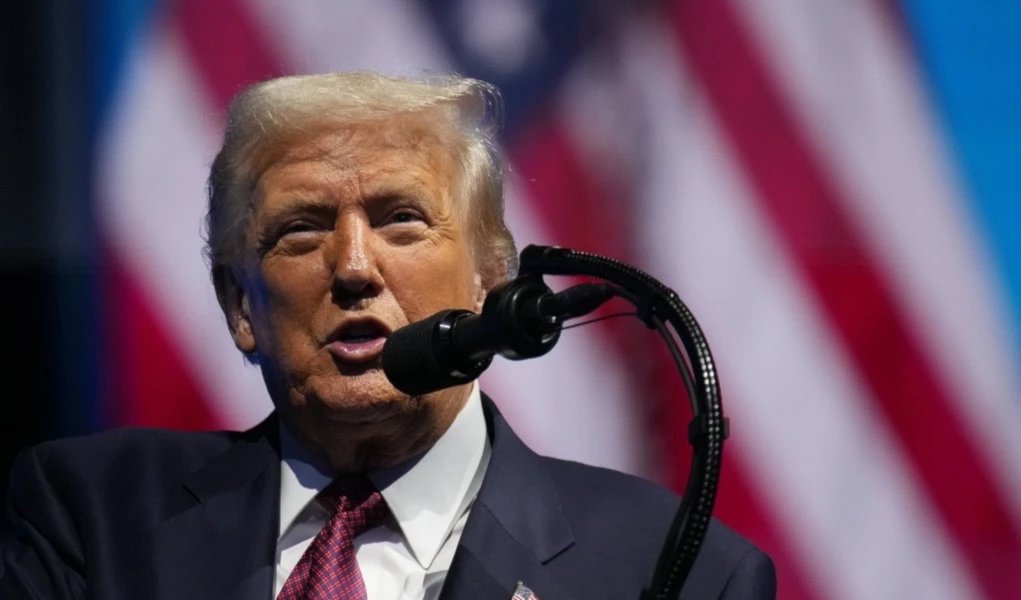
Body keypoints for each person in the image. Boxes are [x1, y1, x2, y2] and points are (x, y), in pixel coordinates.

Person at [0, 72, 775, 599]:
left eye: (402, 220)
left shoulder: (676, 568)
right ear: (241, 306)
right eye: (301, 230)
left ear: (490, 282)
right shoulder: (94, 517)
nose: (354, 267)